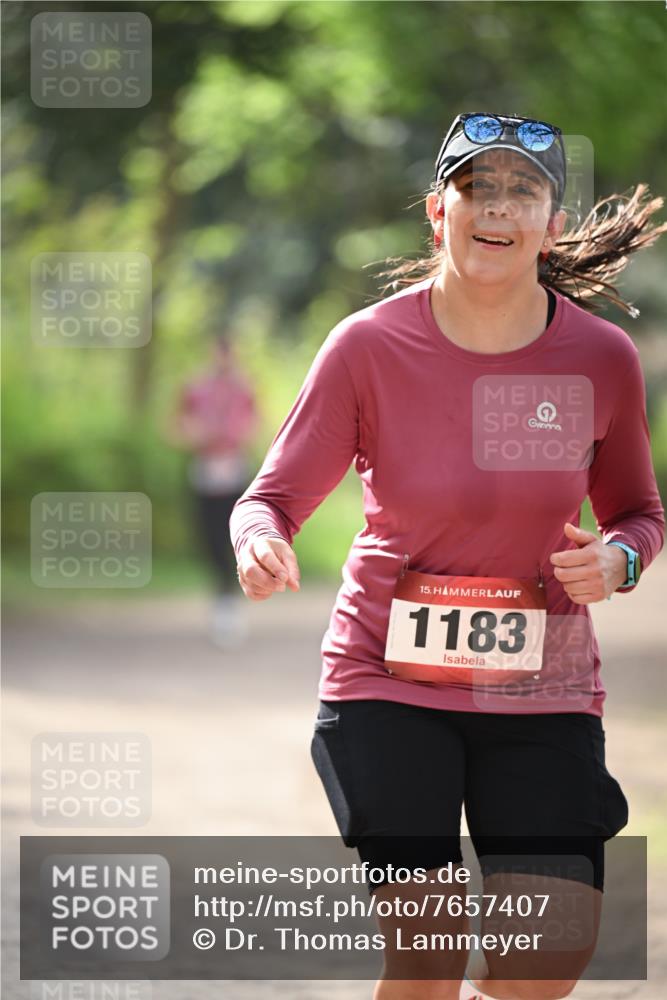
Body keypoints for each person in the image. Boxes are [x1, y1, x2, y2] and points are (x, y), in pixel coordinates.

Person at [230, 112, 666, 999]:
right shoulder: (367, 346)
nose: (496, 206)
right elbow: (268, 500)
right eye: (475, 188)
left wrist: (618, 560)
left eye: (522, 192)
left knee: (544, 964)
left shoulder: (600, 358)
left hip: (541, 690)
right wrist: (259, 541)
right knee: (428, 957)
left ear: (549, 225)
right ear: (439, 212)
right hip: (387, 686)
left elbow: (637, 514)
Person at [170, 335, 258, 646]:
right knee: (209, 538)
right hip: (206, 473)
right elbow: (177, 426)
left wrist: (236, 435)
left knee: (233, 538)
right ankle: (223, 595)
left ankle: (228, 600)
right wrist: (197, 435)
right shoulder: (195, 387)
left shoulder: (244, 388)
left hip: (234, 472)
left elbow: (256, 424)